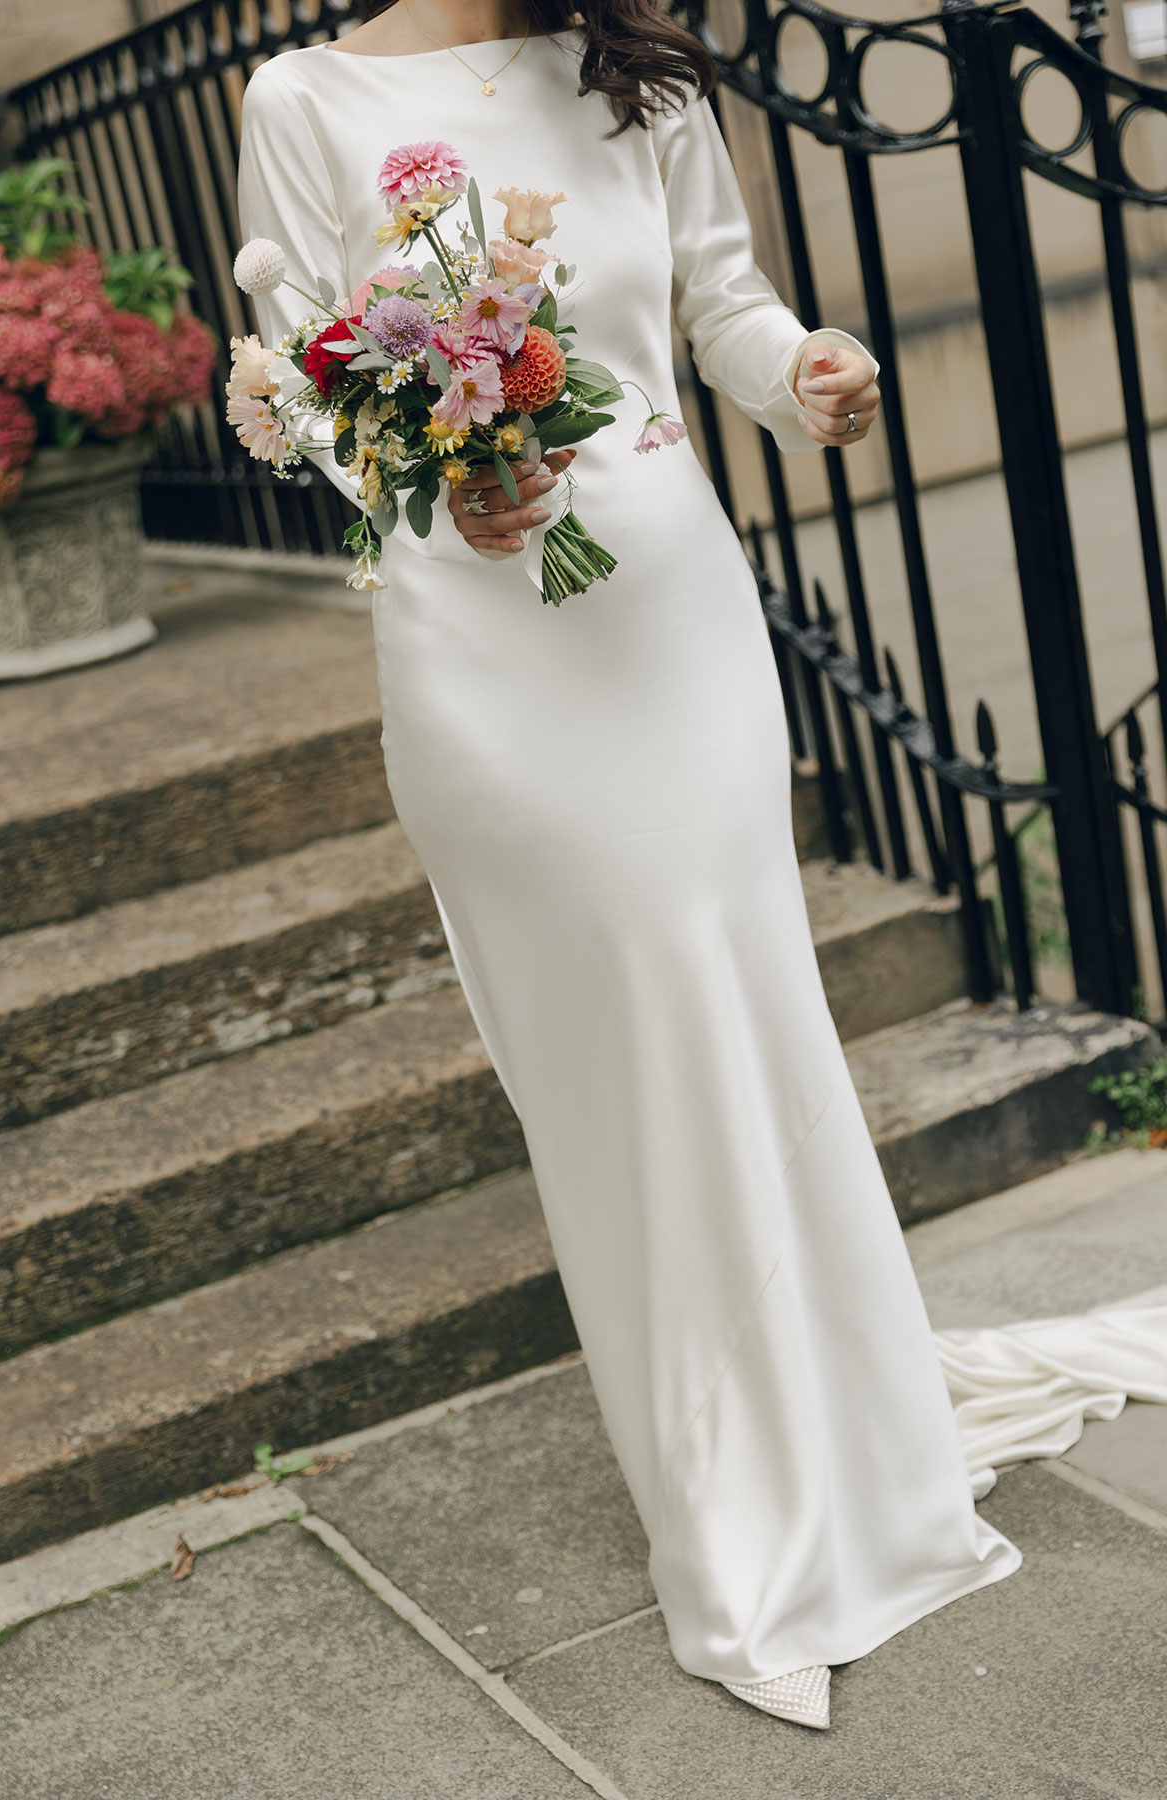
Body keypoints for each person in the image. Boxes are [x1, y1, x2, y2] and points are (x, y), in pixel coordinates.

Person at [236, 0, 1022, 1732]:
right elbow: (298, 385)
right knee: (620, 1070)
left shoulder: (628, 75)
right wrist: (425, 473)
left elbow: (719, 306)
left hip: (672, 609)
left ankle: (858, 1452)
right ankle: (731, 1509)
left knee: (750, 1015)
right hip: (485, 652)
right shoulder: (301, 99)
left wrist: (807, 372)